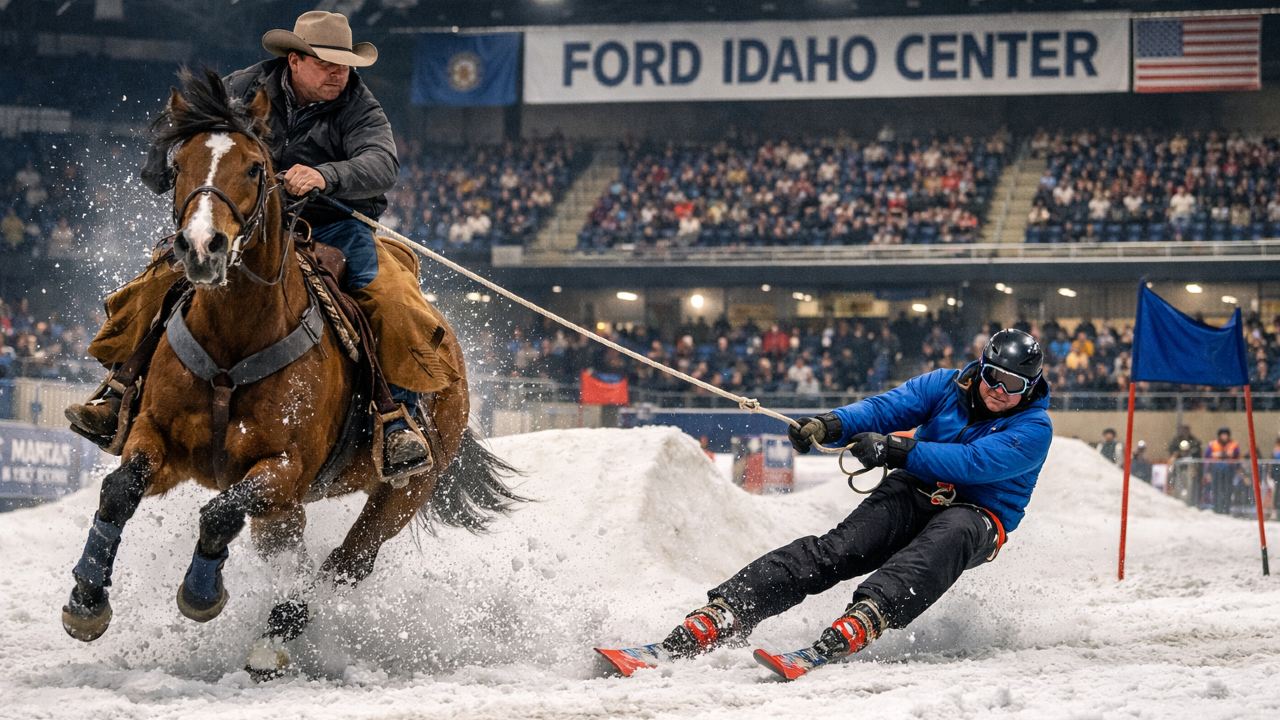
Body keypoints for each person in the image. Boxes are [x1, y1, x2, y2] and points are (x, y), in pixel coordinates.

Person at [64, 11, 456, 477]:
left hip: (334, 226)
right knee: (160, 279)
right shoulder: (242, 88)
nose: (339, 73)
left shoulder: (361, 107)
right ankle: (119, 391)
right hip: (248, 224)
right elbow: (187, 129)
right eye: (327, 63)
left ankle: (397, 420)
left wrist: (325, 175)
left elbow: (381, 164)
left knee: (393, 302)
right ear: (294, 60)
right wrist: (170, 156)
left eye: (345, 64)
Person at [652, 329, 1051, 667]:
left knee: (947, 536)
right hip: (916, 488)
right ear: (980, 368)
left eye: (1012, 385)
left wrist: (896, 450)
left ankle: (869, 614)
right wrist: (831, 425)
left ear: (1029, 387)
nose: (999, 390)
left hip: (977, 515)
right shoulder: (945, 385)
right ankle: (728, 611)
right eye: (993, 377)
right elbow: (887, 408)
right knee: (840, 549)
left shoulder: (1034, 427)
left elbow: (974, 462)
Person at [1205, 427, 1241, 515]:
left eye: (1226, 435)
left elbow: (1236, 455)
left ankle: (1226, 508)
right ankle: (1217, 508)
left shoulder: (1234, 444)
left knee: (1227, 489)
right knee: (1216, 489)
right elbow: (1207, 456)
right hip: (1216, 470)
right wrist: (1208, 472)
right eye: (1223, 435)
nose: (1224, 437)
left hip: (1229, 470)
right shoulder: (1213, 444)